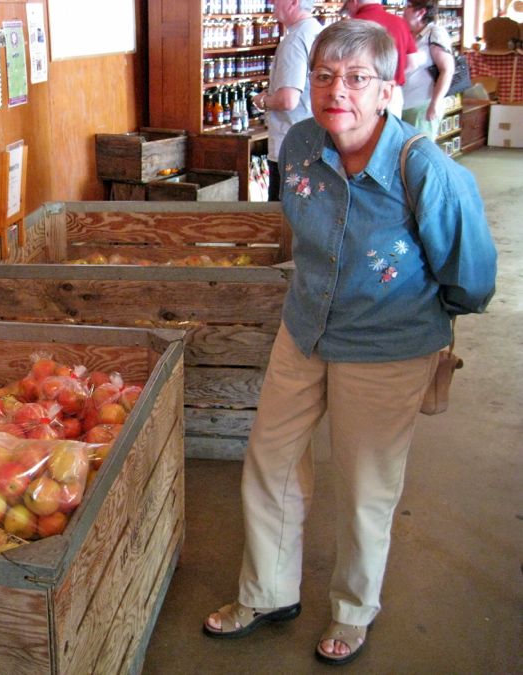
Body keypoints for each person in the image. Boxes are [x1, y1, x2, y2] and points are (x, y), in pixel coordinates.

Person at [202, 20, 496, 666]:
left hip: (389, 344)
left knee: (365, 487)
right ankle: (267, 591)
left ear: (388, 91)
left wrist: (424, 323)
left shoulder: (421, 167)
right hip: (305, 326)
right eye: (325, 76)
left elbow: (472, 274)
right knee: (270, 458)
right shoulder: (304, 145)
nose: (339, 91)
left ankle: (353, 610)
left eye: (358, 78)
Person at [253, 0, 323, 201]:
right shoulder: (318, 32)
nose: (272, 1)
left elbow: (287, 100)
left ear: (293, 2)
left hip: (290, 144)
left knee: (281, 214)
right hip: (313, 140)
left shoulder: (294, 40)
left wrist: (263, 100)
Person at [344, 0, 417, 115]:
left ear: (354, 2)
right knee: (392, 132)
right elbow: (412, 64)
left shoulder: (351, 26)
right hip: (393, 94)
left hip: (362, 94)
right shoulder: (400, 22)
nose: (348, 10)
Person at [402, 0, 455, 140]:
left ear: (421, 12)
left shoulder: (434, 33)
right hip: (405, 103)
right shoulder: (409, 34)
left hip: (422, 105)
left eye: (408, 7)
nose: (403, 11)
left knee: (418, 149)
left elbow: (447, 70)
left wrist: (435, 103)